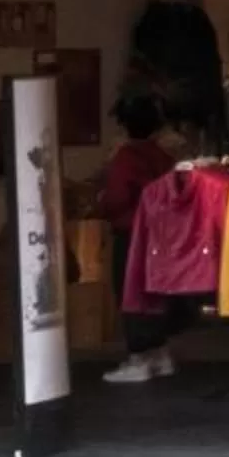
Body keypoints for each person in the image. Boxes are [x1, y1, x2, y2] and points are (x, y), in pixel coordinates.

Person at [95, 90, 188, 385]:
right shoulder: (162, 156)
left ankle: (138, 358)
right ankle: (160, 355)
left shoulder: (126, 157)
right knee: (153, 293)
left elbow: (117, 197)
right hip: (159, 235)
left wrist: (101, 203)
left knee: (129, 293)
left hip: (131, 233)